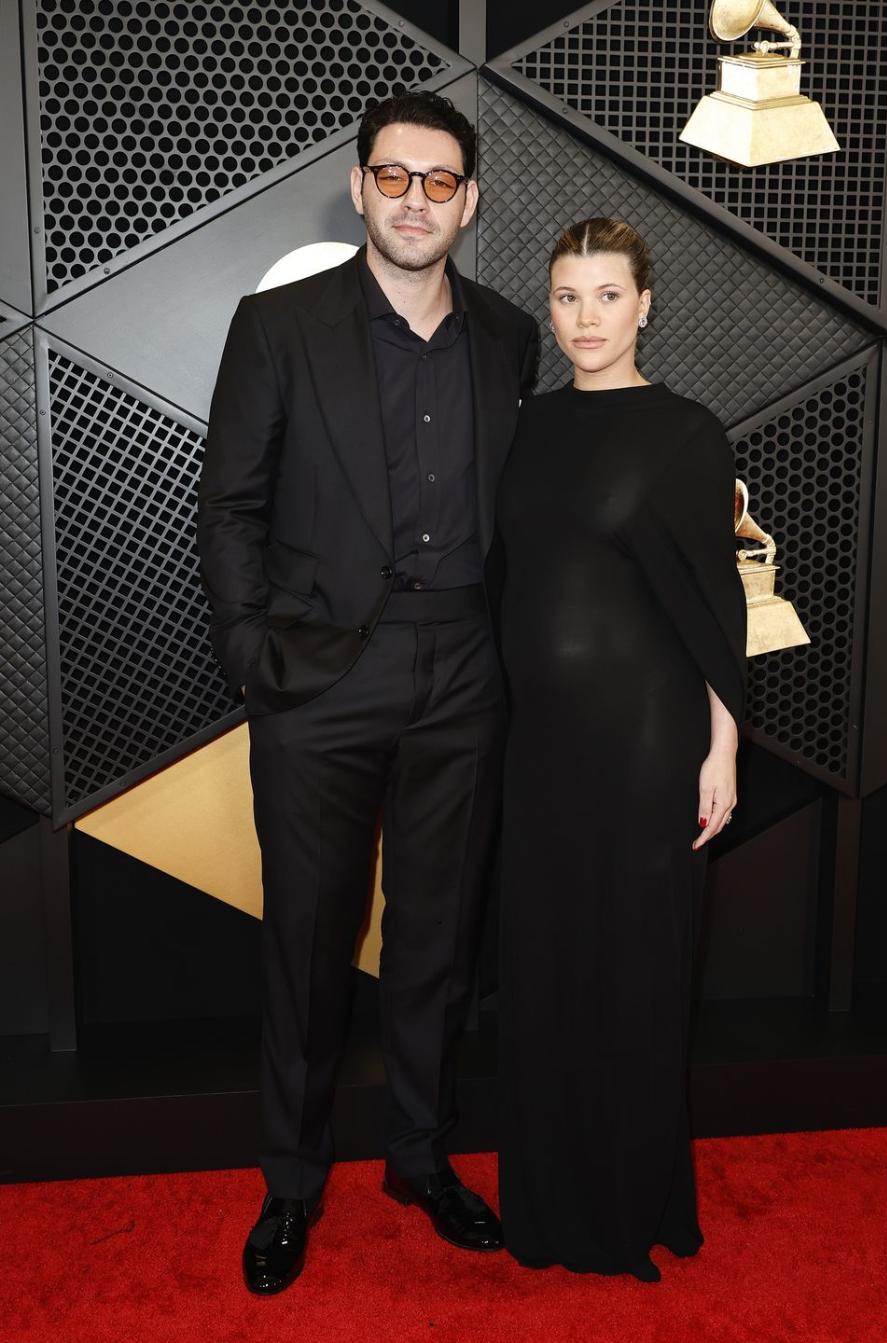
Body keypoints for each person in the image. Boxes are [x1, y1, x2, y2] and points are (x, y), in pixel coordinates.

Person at [197, 90, 538, 1295]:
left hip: (465, 670)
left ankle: (421, 1157)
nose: (413, 200)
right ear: (359, 188)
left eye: (438, 182)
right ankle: (292, 1180)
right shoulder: (278, 325)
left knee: (438, 937)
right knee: (307, 938)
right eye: (392, 178)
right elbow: (231, 502)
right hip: (320, 676)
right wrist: (252, 651)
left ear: (468, 201)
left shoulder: (508, 336)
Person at [495, 218, 746, 1282]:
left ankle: (631, 1200)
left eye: (607, 294)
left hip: (649, 745)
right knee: (544, 972)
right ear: (548, 307)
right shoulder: (525, 428)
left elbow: (714, 606)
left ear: (646, 303)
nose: (586, 317)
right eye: (567, 296)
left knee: (635, 973)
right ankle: (551, 1204)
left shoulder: (689, 432)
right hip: (540, 750)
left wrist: (722, 746)